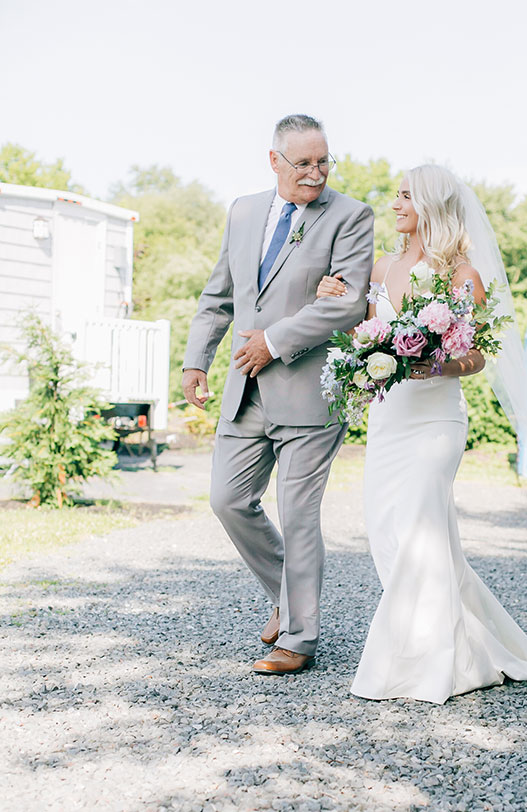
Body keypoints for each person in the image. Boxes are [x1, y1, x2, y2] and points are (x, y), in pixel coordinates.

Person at [317, 164, 527, 703]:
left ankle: (423, 666)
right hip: (388, 420)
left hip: (434, 422)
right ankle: (468, 646)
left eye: (407, 196)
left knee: (422, 533)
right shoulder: (380, 269)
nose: (395, 203)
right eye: (396, 195)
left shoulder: (461, 275)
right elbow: (360, 334)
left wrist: (429, 363)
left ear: (431, 207)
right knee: (387, 532)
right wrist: (334, 295)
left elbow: (474, 357)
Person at [182, 114, 374, 675]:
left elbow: (346, 302)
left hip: (311, 391)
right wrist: (197, 359)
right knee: (227, 500)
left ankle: (299, 638)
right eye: (304, 163)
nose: (316, 174)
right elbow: (219, 294)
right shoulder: (243, 211)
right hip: (245, 387)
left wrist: (274, 340)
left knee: (297, 513)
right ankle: (289, 598)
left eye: (323, 161)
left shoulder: (351, 216)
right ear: (274, 161)